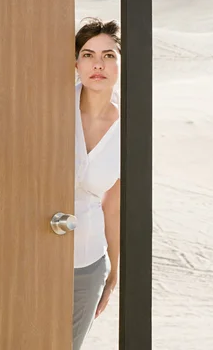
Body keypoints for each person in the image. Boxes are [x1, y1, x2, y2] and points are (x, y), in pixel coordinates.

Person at [72, 17, 121, 350]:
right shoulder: (49, 107)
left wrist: (113, 269)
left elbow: (113, 205)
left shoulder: (128, 128)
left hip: (87, 263)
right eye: (88, 55)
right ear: (76, 63)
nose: (98, 64)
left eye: (108, 55)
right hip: (31, 251)